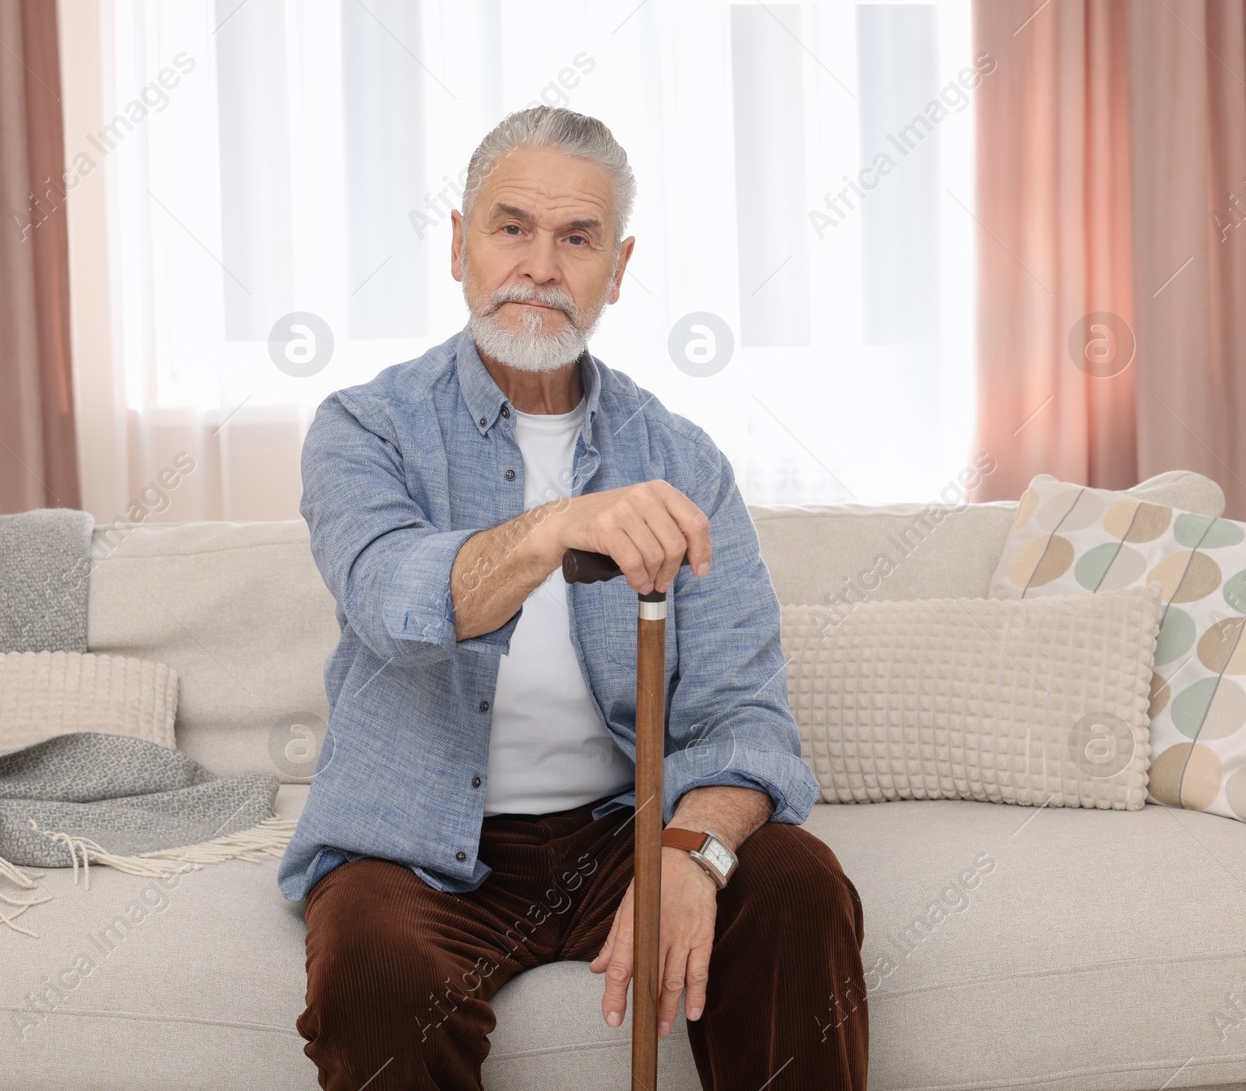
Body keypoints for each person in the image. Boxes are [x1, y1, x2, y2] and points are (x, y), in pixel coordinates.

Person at [279, 104, 868, 1090]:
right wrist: (556, 527)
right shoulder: (363, 428)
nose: (541, 266)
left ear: (618, 268)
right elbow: (391, 600)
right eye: (511, 227)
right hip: (413, 848)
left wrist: (691, 846)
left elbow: (745, 717)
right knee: (375, 972)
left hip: (618, 832)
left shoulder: (681, 457)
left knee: (799, 884)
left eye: (577, 238)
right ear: (459, 245)